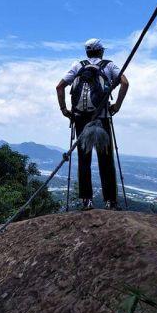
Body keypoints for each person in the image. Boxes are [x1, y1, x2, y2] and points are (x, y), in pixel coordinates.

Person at [56, 38, 129, 210]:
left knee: (84, 159)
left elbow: (59, 87)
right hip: (101, 118)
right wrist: (116, 106)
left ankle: (86, 201)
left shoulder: (77, 66)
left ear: (87, 52)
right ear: (101, 51)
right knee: (106, 160)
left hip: (81, 119)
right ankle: (110, 201)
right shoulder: (109, 66)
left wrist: (64, 110)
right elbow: (125, 82)